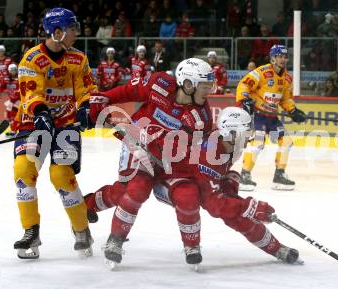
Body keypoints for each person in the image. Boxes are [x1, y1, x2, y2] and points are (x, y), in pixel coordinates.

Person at [85, 107, 300, 267]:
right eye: (245, 133)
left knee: (233, 210)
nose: (249, 138)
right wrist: (251, 207)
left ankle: (276, 248)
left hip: (180, 169)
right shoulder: (211, 153)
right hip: (156, 166)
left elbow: (216, 191)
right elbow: (215, 205)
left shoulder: (229, 146)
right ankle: (89, 206)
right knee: (132, 192)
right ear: (231, 133)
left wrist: (233, 190)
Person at [85, 58, 216, 266]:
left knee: (180, 195)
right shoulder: (159, 83)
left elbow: (194, 151)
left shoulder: (202, 116)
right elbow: (129, 91)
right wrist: (104, 98)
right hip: (137, 144)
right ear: (188, 84)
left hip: (168, 160)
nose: (209, 92)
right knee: (134, 190)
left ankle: (191, 243)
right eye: (205, 86)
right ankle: (114, 238)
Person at [11, 7, 97, 259]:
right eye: (72, 29)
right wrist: (41, 112)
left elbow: (87, 88)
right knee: (23, 171)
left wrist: (85, 107)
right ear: (56, 32)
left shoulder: (78, 59)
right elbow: (30, 92)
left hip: (66, 124)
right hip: (33, 121)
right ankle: (31, 231)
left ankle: (81, 230)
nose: (76, 34)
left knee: (61, 175)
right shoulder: (32, 58)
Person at [236, 44, 307, 191]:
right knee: (258, 143)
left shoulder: (287, 78)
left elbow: (285, 98)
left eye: (284, 56)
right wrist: (244, 100)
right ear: (272, 58)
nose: (282, 59)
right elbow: (244, 85)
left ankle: (279, 175)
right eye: (279, 56)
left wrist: (293, 111)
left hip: (272, 118)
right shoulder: (261, 72)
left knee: (286, 141)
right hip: (258, 115)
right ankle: (244, 175)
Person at [0, 63, 20, 136]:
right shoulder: (6, 78)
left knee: (15, 115)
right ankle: (13, 130)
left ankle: (15, 130)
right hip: (12, 100)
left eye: (14, 70)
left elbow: (25, 86)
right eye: (11, 70)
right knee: (8, 115)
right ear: (8, 71)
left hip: (20, 100)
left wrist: (19, 91)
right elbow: (1, 86)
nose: (13, 72)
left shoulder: (20, 77)